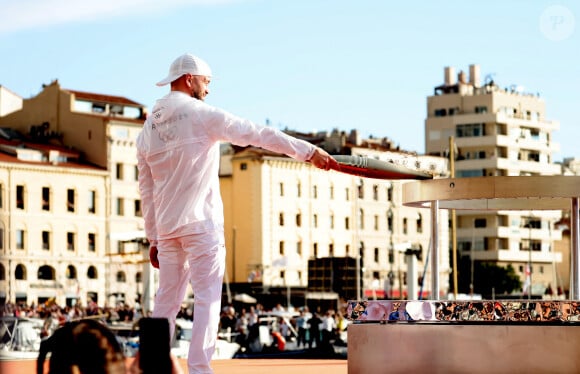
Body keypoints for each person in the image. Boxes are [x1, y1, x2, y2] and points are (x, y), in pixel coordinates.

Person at [136, 53, 339, 374]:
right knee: (207, 300)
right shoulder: (200, 114)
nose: (209, 89)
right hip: (201, 224)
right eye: (207, 81)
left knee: (166, 303)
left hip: (168, 227)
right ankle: (199, 370)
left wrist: (154, 238)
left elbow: (145, 188)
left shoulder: (148, 127)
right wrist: (308, 151)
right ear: (190, 78)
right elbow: (257, 133)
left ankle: (152, 368)